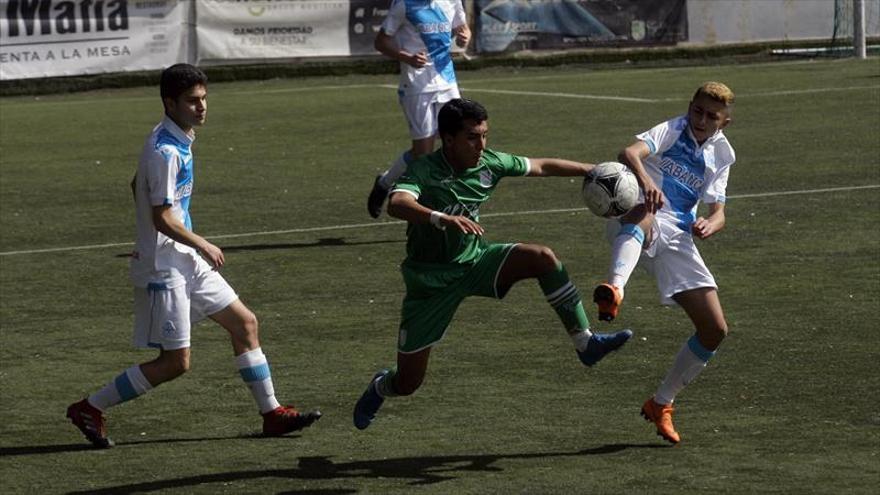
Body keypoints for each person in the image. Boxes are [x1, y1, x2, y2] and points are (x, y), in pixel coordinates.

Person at [66, 64, 320, 448]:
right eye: (192, 101)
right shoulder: (165, 151)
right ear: (170, 103)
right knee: (175, 363)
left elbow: (137, 184)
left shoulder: (179, 136)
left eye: (203, 99)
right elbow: (162, 216)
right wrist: (200, 241)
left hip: (183, 258)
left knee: (245, 324)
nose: (201, 107)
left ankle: (272, 414)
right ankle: (90, 407)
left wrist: (161, 230)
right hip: (164, 266)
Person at [353, 98, 633, 430]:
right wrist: (440, 218)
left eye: (485, 135)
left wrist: (591, 170)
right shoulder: (425, 169)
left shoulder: (489, 163)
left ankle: (585, 343)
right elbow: (397, 204)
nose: (481, 144)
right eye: (472, 137)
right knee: (409, 383)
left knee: (542, 258)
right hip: (430, 282)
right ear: (448, 138)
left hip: (476, 261)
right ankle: (380, 386)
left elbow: (540, 165)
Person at [591, 82, 736, 444]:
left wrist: (710, 224)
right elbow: (630, 152)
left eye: (711, 116)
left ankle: (661, 404)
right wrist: (645, 181)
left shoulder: (723, 155)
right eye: (697, 111)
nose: (700, 120)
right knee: (645, 210)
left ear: (724, 122)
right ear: (690, 107)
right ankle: (614, 289)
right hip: (637, 216)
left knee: (714, 330)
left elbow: (719, 212)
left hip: (679, 235)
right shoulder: (673, 129)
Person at [366, 0, 471, 218]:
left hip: (447, 82)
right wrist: (407, 57)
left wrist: (464, 36)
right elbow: (381, 42)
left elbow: (461, 28)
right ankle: (385, 183)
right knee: (423, 153)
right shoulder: (404, 4)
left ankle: (445, 203)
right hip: (417, 86)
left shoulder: (452, 2)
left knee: (458, 142)